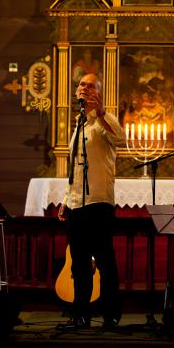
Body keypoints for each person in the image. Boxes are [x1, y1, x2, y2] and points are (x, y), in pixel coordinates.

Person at [57, 73, 126, 330]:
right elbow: (75, 166)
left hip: (98, 201)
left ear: (99, 92)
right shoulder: (77, 124)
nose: (83, 89)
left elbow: (120, 139)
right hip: (76, 203)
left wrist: (100, 113)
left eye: (90, 86)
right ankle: (81, 313)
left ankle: (111, 315)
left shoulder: (103, 122)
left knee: (105, 260)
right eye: (81, 85)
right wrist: (66, 198)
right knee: (79, 262)